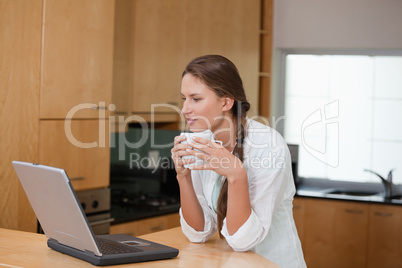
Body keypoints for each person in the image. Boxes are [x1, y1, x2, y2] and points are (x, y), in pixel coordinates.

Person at [171, 55, 306, 268]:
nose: (185, 109)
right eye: (184, 99)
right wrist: (183, 176)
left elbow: (242, 240)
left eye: (195, 99)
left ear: (226, 102)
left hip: (272, 262)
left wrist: (235, 175)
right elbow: (199, 232)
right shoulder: (204, 142)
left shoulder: (268, 146)